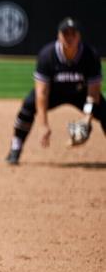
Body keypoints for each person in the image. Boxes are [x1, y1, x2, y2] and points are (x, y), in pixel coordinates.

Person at [6, 17, 104, 164]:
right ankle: (16, 147)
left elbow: (93, 93)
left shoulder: (90, 55)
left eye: (73, 34)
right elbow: (42, 93)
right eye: (66, 34)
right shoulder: (47, 55)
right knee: (28, 105)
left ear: (79, 36)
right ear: (59, 35)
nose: (69, 38)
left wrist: (87, 119)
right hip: (53, 93)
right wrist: (43, 125)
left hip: (81, 94)